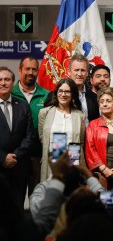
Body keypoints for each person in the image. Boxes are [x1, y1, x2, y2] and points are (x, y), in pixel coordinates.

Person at [12, 56, 49, 195]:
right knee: (14, 201)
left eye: (34, 69)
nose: (31, 72)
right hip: (15, 156)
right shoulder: (10, 94)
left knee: (37, 199)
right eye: (27, 69)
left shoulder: (46, 95)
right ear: (20, 70)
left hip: (37, 156)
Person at [0, 66, 34, 211]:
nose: (3, 83)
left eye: (7, 79)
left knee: (17, 211)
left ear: (13, 82)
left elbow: (30, 135)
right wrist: (2, 158)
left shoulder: (22, 105)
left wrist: (15, 156)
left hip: (18, 168)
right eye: (0, 80)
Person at [38, 78, 86, 182]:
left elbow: (81, 142)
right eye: (61, 91)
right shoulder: (44, 113)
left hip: (72, 161)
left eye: (67, 91)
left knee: (71, 194)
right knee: (52, 193)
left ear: (73, 94)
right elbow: (42, 137)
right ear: (56, 93)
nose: (63, 94)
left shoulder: (80, 116)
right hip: (51, 162)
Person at [68, 53, 100, 123]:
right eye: (76, 70)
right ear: (69, 72)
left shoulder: (95, 98)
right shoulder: (59, 96)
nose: (79, 74)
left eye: (83, 70)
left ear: (87, 73)